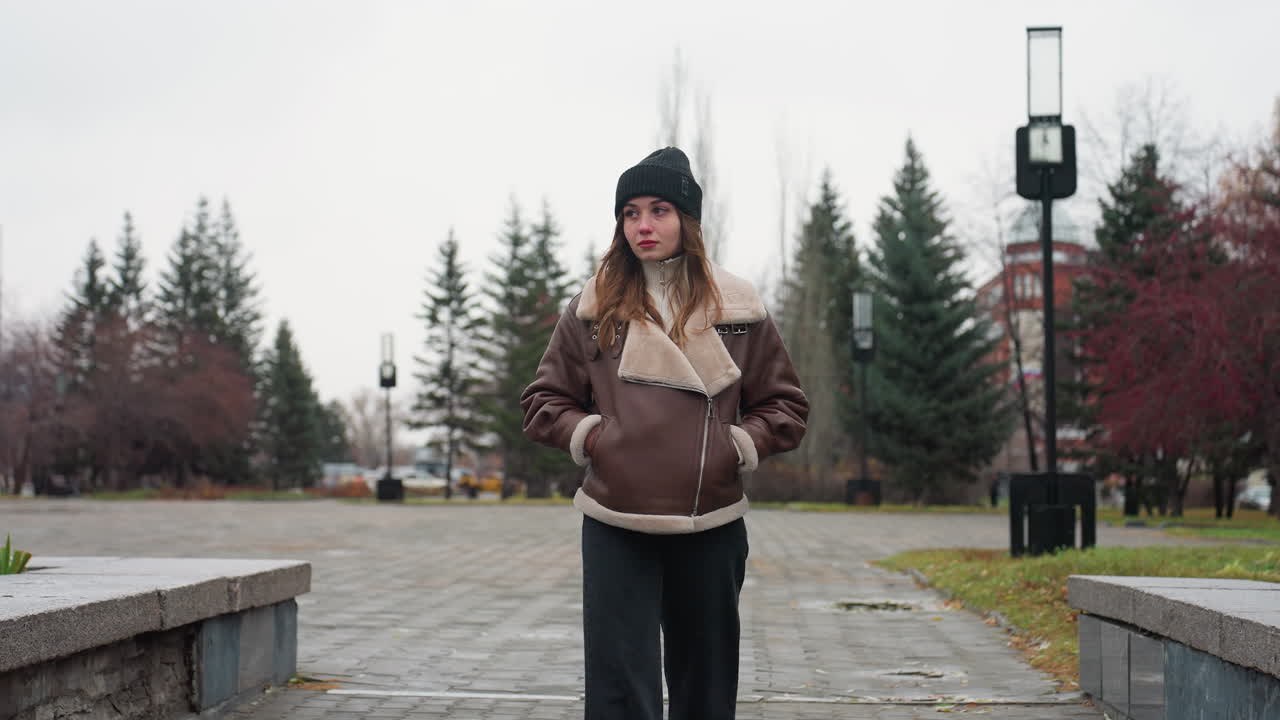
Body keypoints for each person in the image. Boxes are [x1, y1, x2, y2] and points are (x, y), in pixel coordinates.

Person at [520, 146, 808, 720]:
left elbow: (785, 407)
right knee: (620, 685)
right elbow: (542, 403)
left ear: (688, 220)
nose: (643, 226)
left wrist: (737, 445)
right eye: (630, 213)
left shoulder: (739, 307)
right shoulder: (591, 307)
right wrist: (597, 437)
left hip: (711, 517)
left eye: (659, 210)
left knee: (705, 680)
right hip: (616, 519)